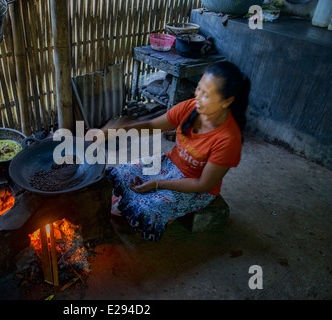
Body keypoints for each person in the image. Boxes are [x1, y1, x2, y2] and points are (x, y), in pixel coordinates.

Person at [97, 60, 251, 241]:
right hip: (170, 163)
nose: (198, 97)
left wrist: (157, 184)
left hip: (195, 187)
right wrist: (119, 129)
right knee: (118, 173)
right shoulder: (190, 107)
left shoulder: (228, 140)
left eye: (206, 95)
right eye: (199, 88)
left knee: (141, 213)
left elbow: (203, 184)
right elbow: (152, 125)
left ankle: (171, 213)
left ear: (227, 102)